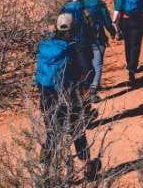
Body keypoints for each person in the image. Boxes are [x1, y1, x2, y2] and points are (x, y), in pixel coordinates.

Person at [34, 13, 100, 179]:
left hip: (46, 95)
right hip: (69, 95)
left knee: (52, 132)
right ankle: (87, 167)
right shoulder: (73, 47)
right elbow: (89, 72)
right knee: (77, 131)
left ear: (56, 27)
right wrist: (84, 88)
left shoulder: (45, 46)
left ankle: (45, 171)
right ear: (73, 28)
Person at [81, 0, 116, 100]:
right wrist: (112, 32)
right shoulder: (100, 4)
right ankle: (93, 90)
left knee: (86, 64)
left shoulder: (82, 3)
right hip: (98, 38)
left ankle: (86, 88)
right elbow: (107, 21)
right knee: (97, 64)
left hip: (84, 40)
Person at [113, 0, 143, 86]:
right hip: (139, 19)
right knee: (136, 44)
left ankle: (130, 67)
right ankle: (132, 68)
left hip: (126, 20)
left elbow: (118, 6)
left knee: (128, 44)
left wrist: (114, 22)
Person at [61, 0, 95, 91]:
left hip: (67, 45)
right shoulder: (84, 8)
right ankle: (84, 91)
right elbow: (91, 24)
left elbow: (59, 28)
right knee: (89, 71)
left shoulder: (65, 8)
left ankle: (74, 94)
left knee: (73, 72)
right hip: (82, 44)